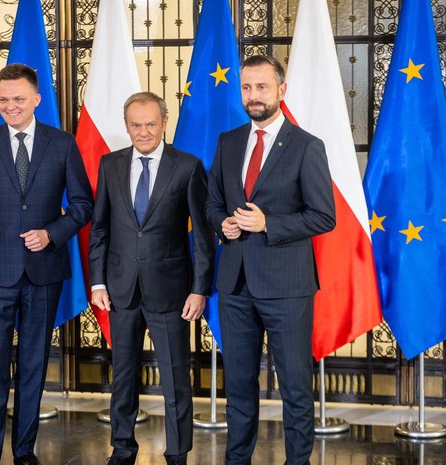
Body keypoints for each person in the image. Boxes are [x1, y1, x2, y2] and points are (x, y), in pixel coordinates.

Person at [0, 63, 93, 465]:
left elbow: (82, 205)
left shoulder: (62, 143)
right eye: (3, 99)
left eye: (18, 98)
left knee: (33, 366)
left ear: (36, 99)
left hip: (44, 271)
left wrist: (52, 233)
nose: (10, 106)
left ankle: (24, 451)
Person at [206, 55, 336, 465]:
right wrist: (222, 224)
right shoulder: (228, 142)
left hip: (287, 288)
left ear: (281, 90)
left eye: (262, 87)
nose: (253, 96)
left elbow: (324, 216)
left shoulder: (306, 146)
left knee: (295, 387)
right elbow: (211, 203)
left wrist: (268, 223)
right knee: (238, 386)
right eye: (246, 87)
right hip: (235, 285)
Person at [89, 91, 216, 465]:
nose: (143, 132)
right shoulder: (110, 165)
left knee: (176, 379)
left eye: (150, 124)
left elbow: (202, 235)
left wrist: (199, 289)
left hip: (171, 290)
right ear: (126, 126)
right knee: (123, 376)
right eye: (135, 125)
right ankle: (122, 448)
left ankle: (177, 453)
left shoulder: (188, 166)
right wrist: (98, 282)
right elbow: (100, 228)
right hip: (121, 288)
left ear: (164, 123)